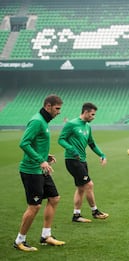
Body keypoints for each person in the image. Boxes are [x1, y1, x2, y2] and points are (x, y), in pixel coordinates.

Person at [14, 94, 65, 252]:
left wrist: (45, 156)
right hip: (31, 170)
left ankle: (46, 236)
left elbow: (37, 143)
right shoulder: (37, 121)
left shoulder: (44, 121)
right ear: (48, 106)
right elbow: (24, 143)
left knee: (54, 198)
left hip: (41, 169)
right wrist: (40, 160)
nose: (59, 112)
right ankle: (19, 241)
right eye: (57, 109)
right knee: (34, 206)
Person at [58, 102, 109, 223]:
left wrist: (102, 154)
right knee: (89, 185)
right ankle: (95, 211)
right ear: (85, 112)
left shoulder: (87, 126)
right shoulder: (71, 124)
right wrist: (71, 149)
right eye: (92, 114)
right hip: (72, 160)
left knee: (81, 188)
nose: (93, 117)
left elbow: (92, 144)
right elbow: (61, 139)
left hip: (82, 160)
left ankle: (76, 215)